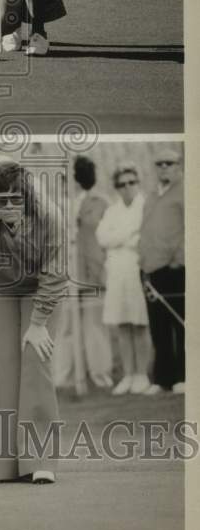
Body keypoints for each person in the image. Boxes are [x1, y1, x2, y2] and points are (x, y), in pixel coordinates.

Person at [0, 159, 67, 483]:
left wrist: (37, 324)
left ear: (27, 195)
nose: (8, 205)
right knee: (4, 362)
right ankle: (5, 464)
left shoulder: (49, 216)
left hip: (40, 286)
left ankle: (40, 460)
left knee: (36, 356)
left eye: (15, 198)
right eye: (0, 200)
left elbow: (55, 273)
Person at [53, 155, 113, 393]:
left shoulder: (100, 202)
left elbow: (100, 235)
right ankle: (64, 376)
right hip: (66, 275)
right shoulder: (58, 204)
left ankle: (100, 374)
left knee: (94, 326)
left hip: (92, 273)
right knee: (65, 327)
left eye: (68, 174)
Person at [95, 163, 151, 395]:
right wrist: (126, 237)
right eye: (122, 184)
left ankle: (142, 375)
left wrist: (120, 239)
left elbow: (142, 236)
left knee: (139, 323)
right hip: (116, 270)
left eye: (131, 183)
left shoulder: (146, 206)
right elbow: (102, 238)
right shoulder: (112, 210)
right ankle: (129, 375)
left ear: (137, 183)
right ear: (116, 187)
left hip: (137, 268)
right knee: (123, 323)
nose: (127, 188)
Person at [139, 148, 185, 395]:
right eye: (159, 164)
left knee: (180, 324)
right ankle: (162, 379)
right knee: (158, 326)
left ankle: (183, 376)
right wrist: (143, 263)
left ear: (178, 165)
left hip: (176, 268)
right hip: (150, 268)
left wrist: (180, 259)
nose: (164, 167)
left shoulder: (185, 191)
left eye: (169, 163)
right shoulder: (152, 194)